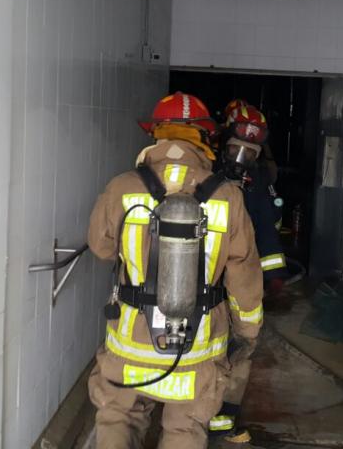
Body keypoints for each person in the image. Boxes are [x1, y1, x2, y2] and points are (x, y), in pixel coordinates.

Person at [86, 91, 264, 448]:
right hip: (196, 352)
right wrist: (248, 330)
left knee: (118, 419)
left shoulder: (122, 187)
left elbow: (101, 248)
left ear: (156, 134)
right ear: (204, 138)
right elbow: (243, 275)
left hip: (129, 347)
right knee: (185, 431)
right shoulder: (227, 196)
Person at [209, 102, 290, 442]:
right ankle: (193, 413)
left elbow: (268, 229)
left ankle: (223, 419)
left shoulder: (256, 182)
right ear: (221, 142)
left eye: (250, 152)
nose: (241, 157)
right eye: (235, 149)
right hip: (203, 280)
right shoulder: (201, 173)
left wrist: (273, 275)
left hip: (241, 280)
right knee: (203, 347)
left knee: (241, 346)